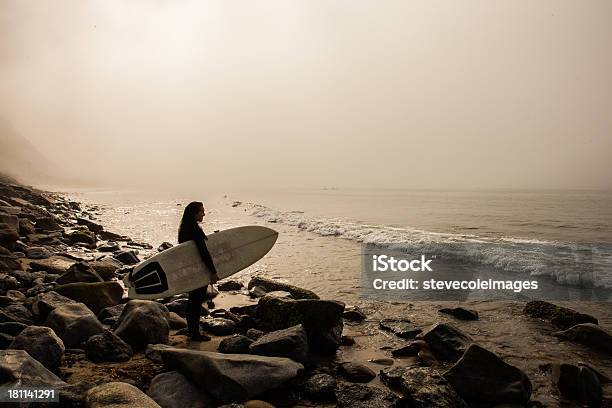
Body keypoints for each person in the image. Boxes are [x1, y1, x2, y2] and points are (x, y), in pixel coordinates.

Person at [178, 201, 219, 341]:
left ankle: (192, 331)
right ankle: (195, 334)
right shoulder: (194, 229)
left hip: (190, 269)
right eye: (202, 211)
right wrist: (213, 272)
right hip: (198, 270)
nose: (204, 214)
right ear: (194, 213)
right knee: (196, 302)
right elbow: (203, 252)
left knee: (192, 301)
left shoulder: (185, 228)